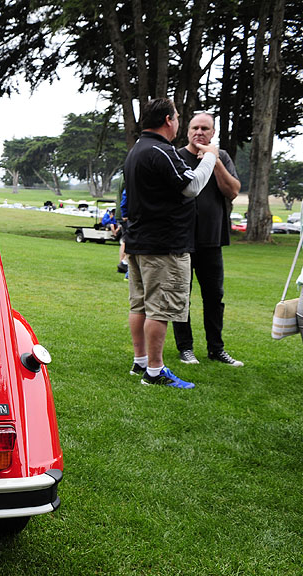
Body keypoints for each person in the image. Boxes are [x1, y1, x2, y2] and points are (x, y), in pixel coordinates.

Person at [123, 98, 218, 389]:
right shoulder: (160, 151)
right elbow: (191, 187)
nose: (178, 122)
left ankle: (141, 361)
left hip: (139, 243)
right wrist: (210, 157)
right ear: (168, 120)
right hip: (164, 246)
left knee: (140, 305)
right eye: (176, 117)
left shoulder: (136, 150)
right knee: (160, 309)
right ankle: (155, 371)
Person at [171, 113, 243, 367]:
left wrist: (214, 160)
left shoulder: (221, 157)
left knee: (214, 297)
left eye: (205, 128)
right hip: (181, 240)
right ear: (187, 131)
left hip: (212, 239)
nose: (199, 132)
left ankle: (216, 349)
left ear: (213, 133)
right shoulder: (176, 156)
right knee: (182, 296)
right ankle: (185, 348)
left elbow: (232, 191)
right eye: (195, 128)